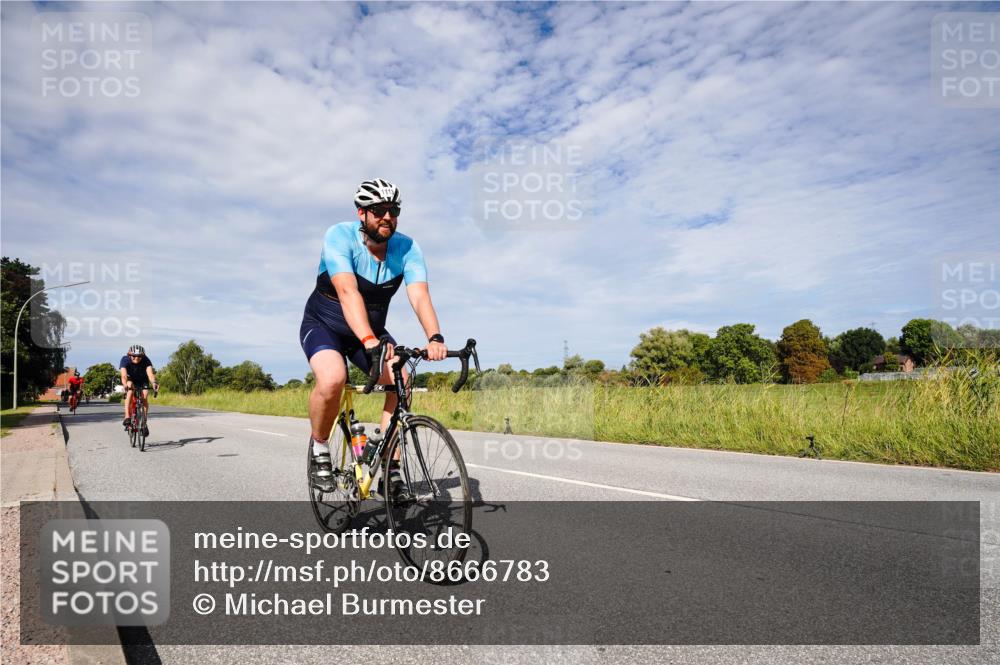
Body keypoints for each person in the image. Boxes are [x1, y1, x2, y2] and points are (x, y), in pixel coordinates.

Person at [300, 178, 448, 492]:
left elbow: (419, 296)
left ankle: (390, 469)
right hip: (324, 325)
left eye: (393, 210)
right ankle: (319, 447)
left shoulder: (407, 247)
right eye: (378, 210)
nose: (387, 217)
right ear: (361, 213)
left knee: (402, 381)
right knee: (332, 379)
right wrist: (370, 342)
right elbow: (347, 290)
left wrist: (435, 337)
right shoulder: (339, 236)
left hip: (369, 332)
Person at [119, 344, 158, 436]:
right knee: (130, 389)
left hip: (142, 380)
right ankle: (127, 416)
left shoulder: (146, 360)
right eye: (134, 356)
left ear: (142, 356)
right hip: (130, 379)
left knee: (145, 396)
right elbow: (124, 376)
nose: (136, 358)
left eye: (139, 356)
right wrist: (125, 385)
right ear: (129, 355)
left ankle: (144, 423)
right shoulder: (125, 360)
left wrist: (154, 383)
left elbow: (150, 374)